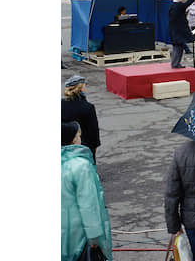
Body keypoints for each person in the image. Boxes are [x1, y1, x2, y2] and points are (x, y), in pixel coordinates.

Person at [62, 121, 113, 261]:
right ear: (73, 139)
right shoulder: (81, 166)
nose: (80, 139)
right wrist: (95, 237)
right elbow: (88, 204)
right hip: (79, 237)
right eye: (78, 136)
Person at [62, 75, 101, 164]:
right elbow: (93, 130)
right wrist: (95, 145)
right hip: (83, 146)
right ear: (81, 88)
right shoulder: (88, 107)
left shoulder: (61, 104)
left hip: (64, 145)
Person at [168, 0, 195, 69]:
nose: (184, 1)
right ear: (180, 0)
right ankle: (175, 64)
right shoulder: (179, 5)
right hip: (178, 31)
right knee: (178, 48)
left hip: (174, 30)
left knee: (177, 47)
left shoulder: (173, 6)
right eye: (183, 0)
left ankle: (175, 63)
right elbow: (189, 2)